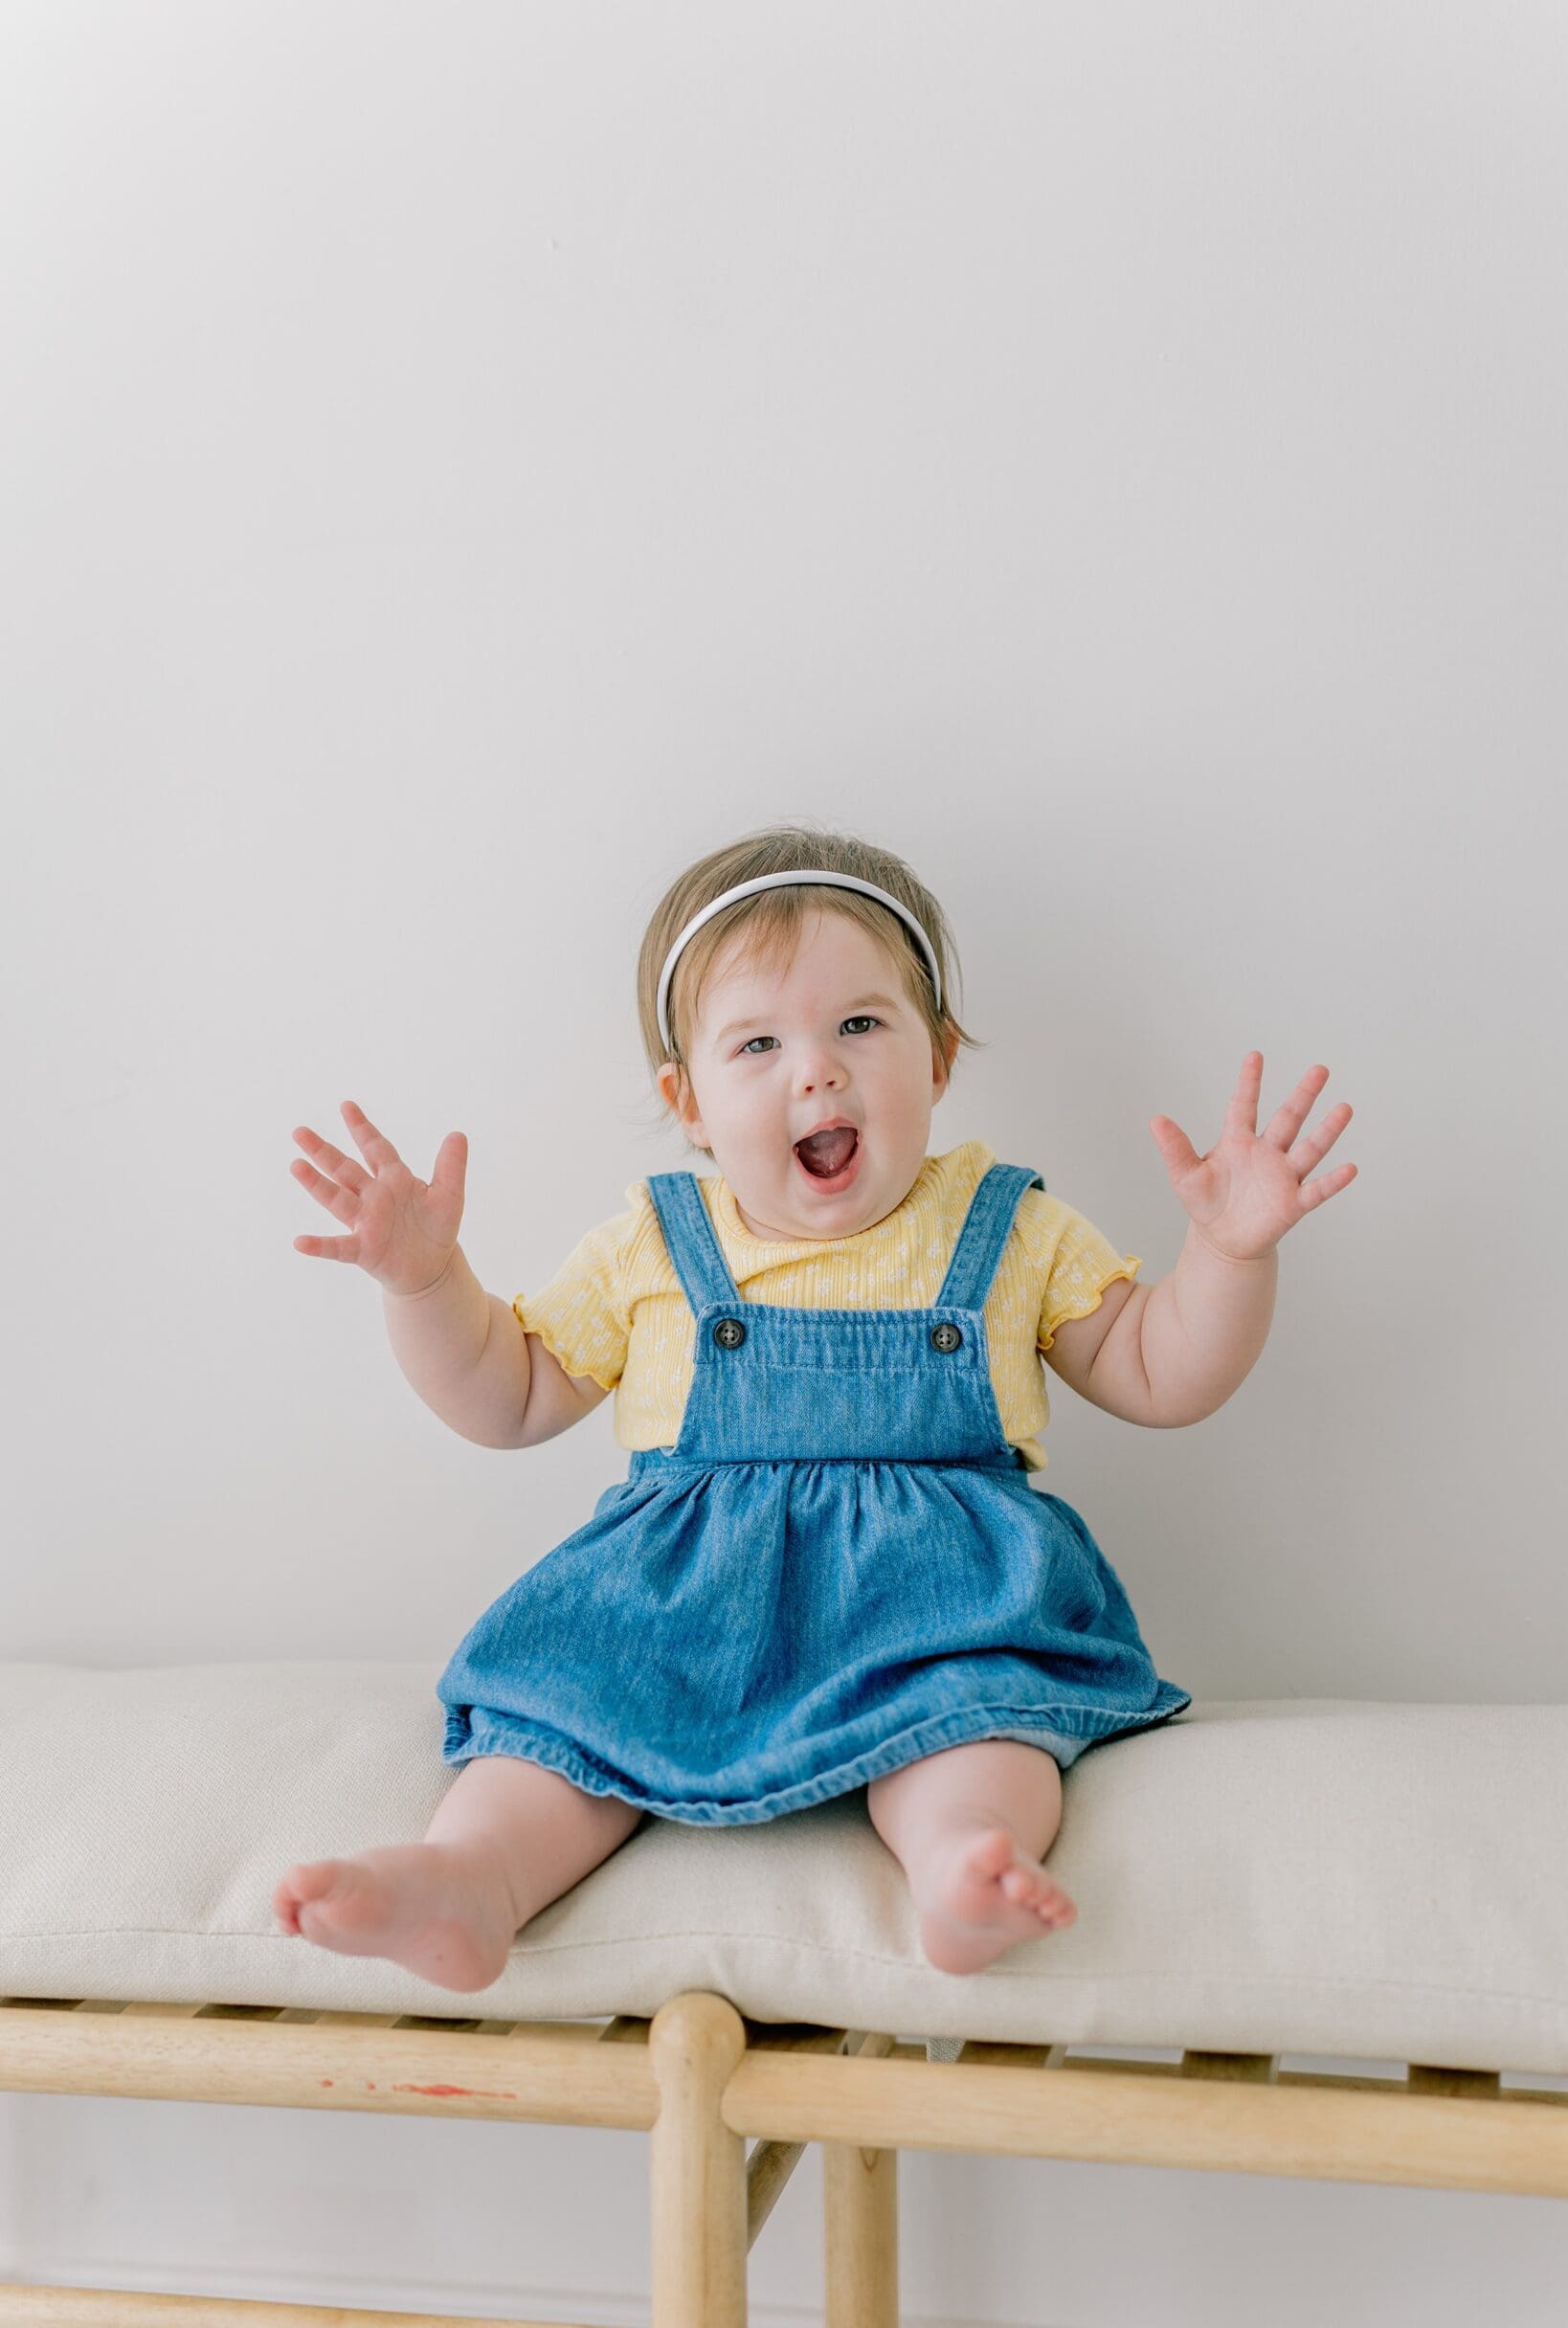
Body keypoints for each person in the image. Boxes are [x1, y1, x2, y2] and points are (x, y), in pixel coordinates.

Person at [272, 825, 1356, 1988]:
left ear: (937, 1059)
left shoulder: (1008, 1224)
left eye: (859, 1025)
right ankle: (469, 1881)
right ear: (688, 1102)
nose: (817, 1070)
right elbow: (512, 1394)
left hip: (938, 1611)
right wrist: (430, 1284)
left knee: (979, 1727)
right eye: (758, 1042)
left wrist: (1229, 1255)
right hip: (679, 1611)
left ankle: (960, 1866)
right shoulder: (654, 1242)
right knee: (566, 1721)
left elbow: (1159, 1369)